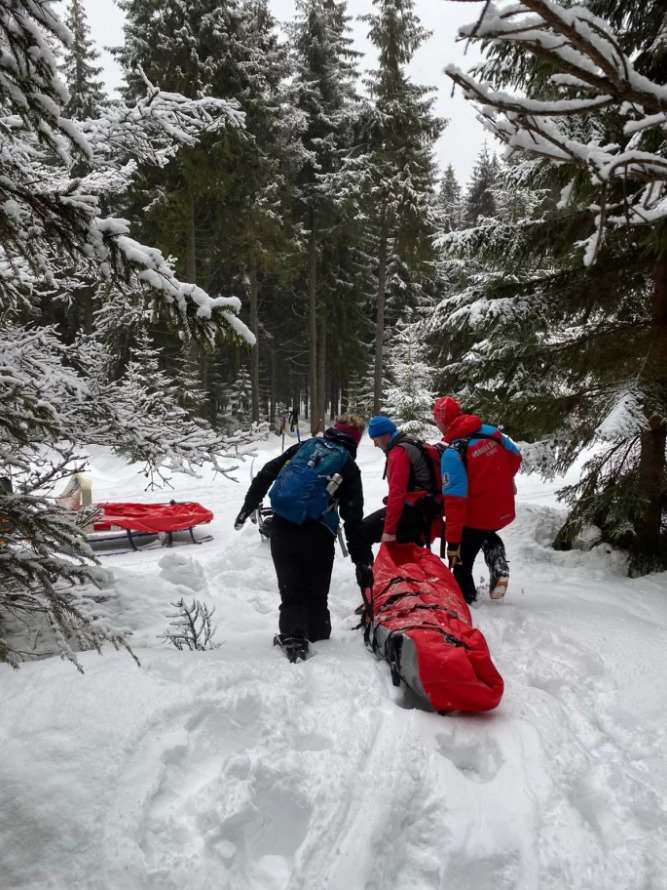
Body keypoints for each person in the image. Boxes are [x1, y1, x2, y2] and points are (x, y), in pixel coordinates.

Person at [234, 415, 373, 661]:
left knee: (291, 596)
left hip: (282, 529)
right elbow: (353, 519)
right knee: (317, 598)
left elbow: (267, 473)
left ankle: (292, 640)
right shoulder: (348, 467)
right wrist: (362, 562)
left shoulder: (304, 447)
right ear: (356, 441)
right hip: (319, 536)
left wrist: (248, 506)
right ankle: (320, 641)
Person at [434, 396, 522, 604]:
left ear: (442, 421)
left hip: (475, 513)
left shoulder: (453, 453)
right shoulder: (492, 433)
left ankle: (469, 603)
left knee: (462, 564)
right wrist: (498, 479)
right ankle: (496, 558)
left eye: (436, 420)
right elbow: (516, 457)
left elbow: (454, 501)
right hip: (500, 504)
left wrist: (453, 542)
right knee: (485, 530)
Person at [360, 415, 442, 548]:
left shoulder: (399, 452)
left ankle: (366, 569)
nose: (375, 445)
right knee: (409, 561)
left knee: (361, 532)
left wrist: (389, 531)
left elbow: (397, 493)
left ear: (385, 434)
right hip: (426, 511)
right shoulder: (411, 441)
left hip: (413, 513)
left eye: (375, 439)